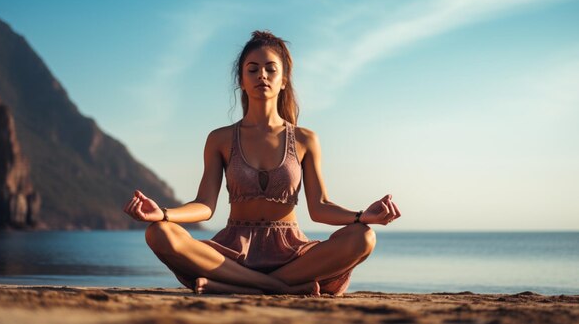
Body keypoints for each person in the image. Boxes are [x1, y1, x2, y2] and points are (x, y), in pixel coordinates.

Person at [123, 30, 401, 296]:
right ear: (241, 80)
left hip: (291, 256)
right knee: (159, 233)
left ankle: (235, 285)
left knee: (363, 237)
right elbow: (205, 206)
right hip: (231, 253)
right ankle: (278, 287)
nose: (262, 76)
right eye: (252, 69)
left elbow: (320, 208)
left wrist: (362, 216)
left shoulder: (305, 139)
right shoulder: (220, 139)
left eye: (270, 69)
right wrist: (162, 213)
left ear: (284, 80)